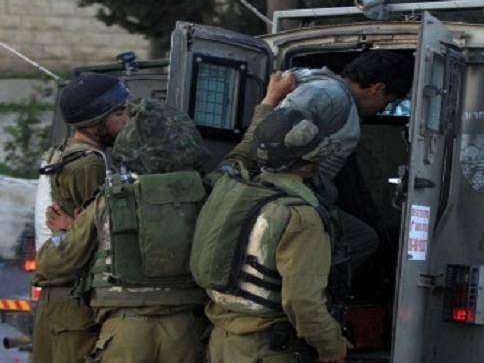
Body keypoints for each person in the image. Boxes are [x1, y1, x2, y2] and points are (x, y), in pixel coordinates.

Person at [37, 99, 212, 363]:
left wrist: (64, 233)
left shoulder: (111, 199)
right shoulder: (207, 195)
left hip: (125, 328)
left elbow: (52, 264)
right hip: (187, 329)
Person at [222, 50, 414, 268]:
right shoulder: (330, 95)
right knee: (361, 239)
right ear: (377, 89)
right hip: (285, 195)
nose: (383, 109)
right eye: (388, 102)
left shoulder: (338, 98)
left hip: (296, 194)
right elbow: (274, 139)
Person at [199, 107, 350, 363]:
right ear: (313, 157)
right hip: (267, 349)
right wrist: (331, 344)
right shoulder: (300, 216)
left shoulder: (233, 193)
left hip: (222, 343)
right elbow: (303, 303)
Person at [31, 73, 130, 363]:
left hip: (60, 296)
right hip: (74, 300)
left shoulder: (62, 152)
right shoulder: (88, 165)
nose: (126, 120)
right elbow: (96, 236)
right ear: (93, 122)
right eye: (118, 113)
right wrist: (73, 232)